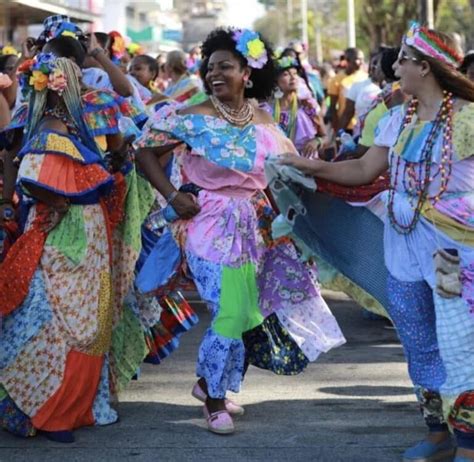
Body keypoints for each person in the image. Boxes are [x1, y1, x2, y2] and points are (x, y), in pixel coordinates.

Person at [135, 27, 344, 435]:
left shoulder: (266, 121)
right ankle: (213, 401)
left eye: (225, 66)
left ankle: (210, 383)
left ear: (247, 72)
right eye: (210, 67)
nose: (214, 74)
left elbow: (287, 172)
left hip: (253, 224)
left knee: (248, 313)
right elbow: (144, 150)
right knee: (228, 309)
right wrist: (173, 194)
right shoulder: (190, 115)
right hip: (205, 219)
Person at [281, 23, 474, 462]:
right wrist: (307, 168)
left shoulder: (469, 119)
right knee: (417, 338)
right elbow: (362, 171)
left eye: (404, 59)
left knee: (459, 341)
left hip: (450, 252)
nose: (395, 67)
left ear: (425, 67)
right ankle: (438, 433)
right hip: (403, 245)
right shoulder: (395, 120)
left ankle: (468, 444)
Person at [0, 35, 152, 443]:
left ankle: (73, 407)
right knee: (51, 315)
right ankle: (47, 409)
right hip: (64, 227)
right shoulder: (48, 122)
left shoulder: (91, 109)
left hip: (86, 228)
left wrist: (110, 170)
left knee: (86, 319)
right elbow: (19, 161)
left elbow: (125, 141)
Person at [263, 55, 326, 158]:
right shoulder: (267, 110)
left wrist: (317, 141)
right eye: (286, 74)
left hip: (306, 164)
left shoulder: (307, 106)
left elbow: (324, 135)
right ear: (276, 82)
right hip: (278, 163)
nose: (293, 78)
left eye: (295, 74)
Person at [327, 48, 367, 132]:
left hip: (363, 126)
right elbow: (333, 107)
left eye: (362, 59)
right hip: (346, 126)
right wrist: (337, 129)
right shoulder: (336, 80)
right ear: (348, 60)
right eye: (358, 59)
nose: (362, 62)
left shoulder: (366, 77)